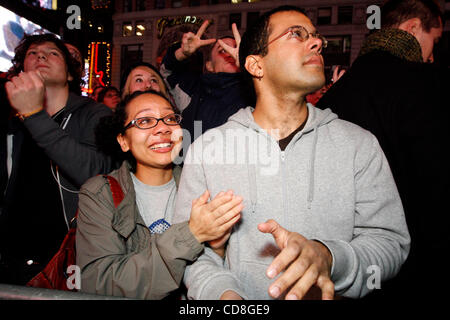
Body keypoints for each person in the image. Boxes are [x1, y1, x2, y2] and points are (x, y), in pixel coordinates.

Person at [172, 5, 410, 300]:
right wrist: (223, 296)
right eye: (296, 34)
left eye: (316, 36)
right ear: (256, 65)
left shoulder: (358, 145)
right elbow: (191, 250)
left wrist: (331, 258)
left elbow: (389, 242)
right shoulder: (208, 150)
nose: (317, 43)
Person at [316, 0, 448, 300]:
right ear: (413, 27)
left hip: (345, 264)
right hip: (415, 262)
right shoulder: (428, 85)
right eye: (434, 41)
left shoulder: (334, 95)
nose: (431, 54)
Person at [76, 90, 243, 299]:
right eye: (145, 121)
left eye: (170, 118)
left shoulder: (203, 186)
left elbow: (222, 271)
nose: (163, 128)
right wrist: (191, 234)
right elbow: (98, 283)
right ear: (123, 141)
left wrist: (217, 250)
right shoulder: (100, 194)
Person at [0, 33, 114, 285]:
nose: (40, 55)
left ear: (70, 74)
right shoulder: (11, 124)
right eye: (32, 53)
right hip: (11, 261)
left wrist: (34, 114)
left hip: (68, 261)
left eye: (52, 52)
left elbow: (96, 173)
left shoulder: (94, 114)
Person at [160, 21, 255, 144]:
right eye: (222, 50)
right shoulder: (194, 90)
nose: (231, 54)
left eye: (237, 49)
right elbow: (167, 73)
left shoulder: (255, 90)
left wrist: (249, 67)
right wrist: (182, 53)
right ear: (209, 65)